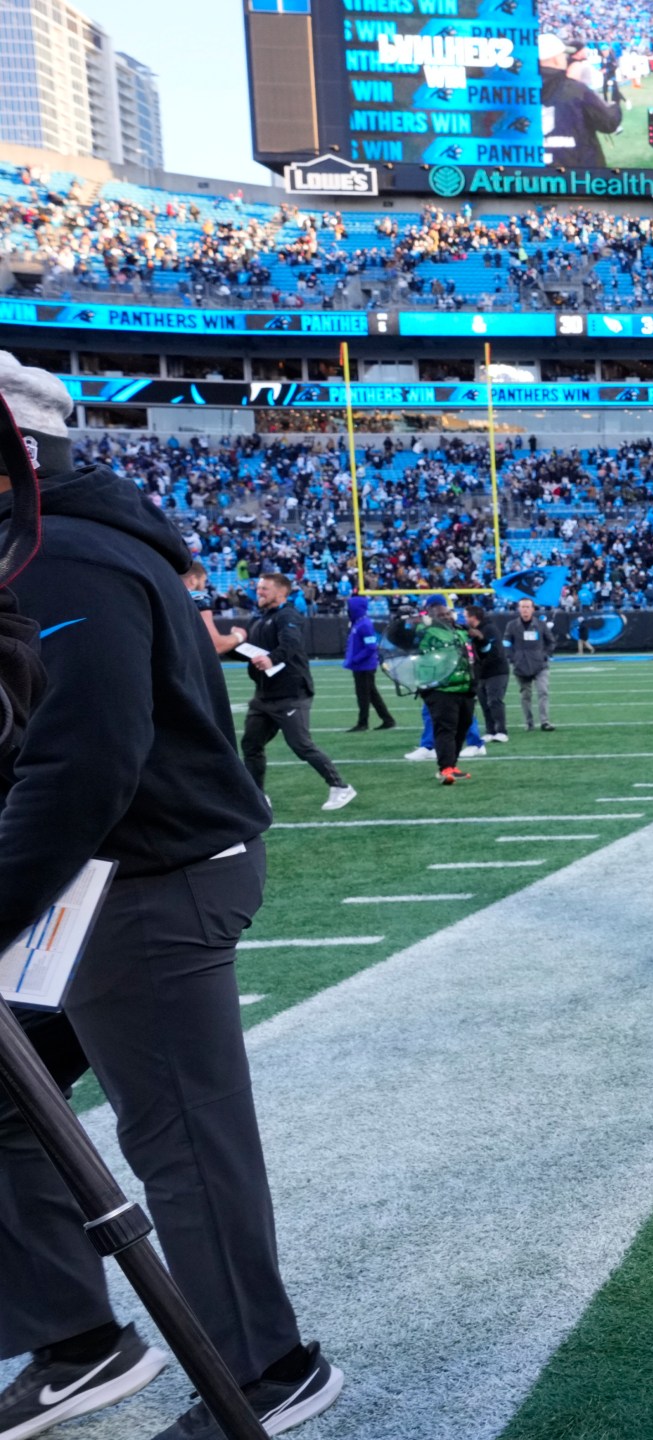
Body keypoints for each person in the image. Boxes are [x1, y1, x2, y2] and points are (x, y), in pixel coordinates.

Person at [0, 355, 346, 1440]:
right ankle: (79, 1337)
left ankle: (266, 1366)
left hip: (143, 879)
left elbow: (85, 762)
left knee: (181, 1135)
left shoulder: (66, 562)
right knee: (13, 1101)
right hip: (96, 879)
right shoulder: (48, 549)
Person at [237, 571, 356, 812]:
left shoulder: (287, 615)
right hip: (264, 695)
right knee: (251, 744)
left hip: (291, 693)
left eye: (264, 589)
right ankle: (257, 796)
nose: (258, 592)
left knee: (301, 745)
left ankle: (341, 787)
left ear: (281, 592)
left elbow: (290, 643)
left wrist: (271, 659)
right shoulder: (260, 618)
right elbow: (249, 651)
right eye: (259, 588)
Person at [414, 596, 478, 784]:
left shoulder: (459, 631)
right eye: (441, 614)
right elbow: (406, 637)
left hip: (464, 687)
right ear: (432, 616)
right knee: (446, 728)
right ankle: (445, 768)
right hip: (441, 688)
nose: (446, 617)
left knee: (462, 727)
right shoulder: (425, 632)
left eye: (447, 613)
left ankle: (452, 764)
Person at [539, 32, 623, 171]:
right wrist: (615, 105)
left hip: (533, 178)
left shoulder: (517, 92)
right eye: (563, 55)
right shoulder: (575, 90)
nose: (566, 58)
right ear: (555, 59)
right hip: (579, 173)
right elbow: (608, 123)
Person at [343, 593, 395, 731]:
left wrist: (356, 659)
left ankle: (363, 723)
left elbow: (371, 646)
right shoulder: (359, 623)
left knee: (363, 695)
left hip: (364, 666)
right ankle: (388, 720)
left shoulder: (364, 624)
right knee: (372, 694)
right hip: (362, 665)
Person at [506, 596, 556, 731]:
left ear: (533, 609)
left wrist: (544, 655)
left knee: (543, 692)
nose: (525, 609)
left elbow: (551, 642)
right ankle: (529, 722)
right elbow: (506, 643)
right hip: (520, 665)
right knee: (525, 695)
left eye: (527, 607)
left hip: (540, 665)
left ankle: (545, 721)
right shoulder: (511, 626)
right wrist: (513, 657)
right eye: (522, 607)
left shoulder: (541, 625)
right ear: (519, 609)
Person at [470, 607, 511, 744]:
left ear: (474, 616)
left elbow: (495, 653)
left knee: (494, 701)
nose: (464, 618)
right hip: (482, 673)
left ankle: (501, 731)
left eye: (466, 615)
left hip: (497, 671)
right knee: (484, 703)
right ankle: (490, 731)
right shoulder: (474, 631)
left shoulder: (489, 629)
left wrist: (479, 664)